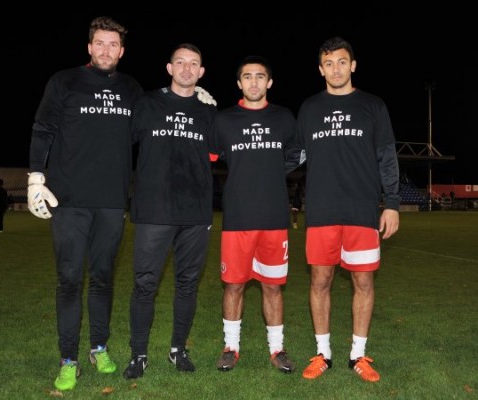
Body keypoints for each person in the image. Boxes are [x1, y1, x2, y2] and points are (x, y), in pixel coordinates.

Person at [27, 16, 143, 391]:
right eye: (100, 43)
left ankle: (98, 348)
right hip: (69, 200)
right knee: (70, 279)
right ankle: (68, 359)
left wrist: (189, 102)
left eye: (113, 44)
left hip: (111, 201)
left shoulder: (131, 89)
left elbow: (152, 128)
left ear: (122, 51)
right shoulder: (64, 81)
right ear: (89, 47)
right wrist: (35, 176)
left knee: (103, 277)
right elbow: (43, 128)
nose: (106, 50)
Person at [297, 36, 400, 382]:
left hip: (362, 210)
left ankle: (358, 354)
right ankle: (323, 353)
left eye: (342, 62)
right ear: (320, 69)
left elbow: (386, 156)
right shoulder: (309, 108)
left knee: (363, 280)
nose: (336, 69)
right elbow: (293, 155)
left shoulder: (373, 105)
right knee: (320, 280)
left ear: (353, 65)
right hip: (321, 211)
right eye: (328, 63)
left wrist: (392, 203)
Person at [122, 43, 217, 380]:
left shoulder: (209, 112)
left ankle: (178, 350)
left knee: (187, 284)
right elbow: (118, 142)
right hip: (153, 210)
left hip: (195, 213)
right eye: (180, 62)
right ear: (169, 67)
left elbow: (222, 153)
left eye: (193, 64)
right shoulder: (147, 103)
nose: (186, 68)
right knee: (144, 284)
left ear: (201, 72)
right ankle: (138, 354)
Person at [210, 55, 302, 374]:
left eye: (260, 76)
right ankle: (230, 347)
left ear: (269, 82)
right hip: (237, 218)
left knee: (272, 286)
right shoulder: (223, 120)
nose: (253, 82)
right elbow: (207, 156)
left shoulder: (284, 118)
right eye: (247, 76)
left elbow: (296, 155)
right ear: (239, 83)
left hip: (274, 218)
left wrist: (271, 171)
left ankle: (277, 349)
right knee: (234, 285)